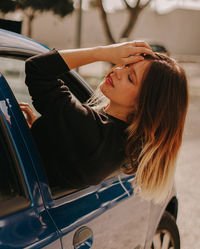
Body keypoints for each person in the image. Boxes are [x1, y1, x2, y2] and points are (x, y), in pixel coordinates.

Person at [20, 41, 188, 203]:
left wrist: (103, 52)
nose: (118, 71)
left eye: (130, 78)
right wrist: (40, 131)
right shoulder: (122, 145)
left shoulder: (93, 130)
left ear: (144, 104)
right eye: (125, 64)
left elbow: (37, 69)